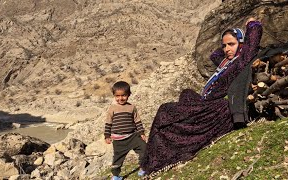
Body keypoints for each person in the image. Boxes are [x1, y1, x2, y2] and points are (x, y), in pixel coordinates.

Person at [140, 17, 263, 176]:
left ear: (242, 44)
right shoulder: (226, 62)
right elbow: (214, 54)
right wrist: (230, 40)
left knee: (165, 111)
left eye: (231, 44)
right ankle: (154, 156)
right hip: (208, 101)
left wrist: (252, 26)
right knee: (187, 93)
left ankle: (155, 159)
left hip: (219, 107)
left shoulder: (242, 60)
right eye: (224, 45)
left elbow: (251, 45)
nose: (226, 49)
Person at [104, 81, 147, 180]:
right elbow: (108, 123)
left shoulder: (131, 107)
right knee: (118, 159)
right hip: (119, 140)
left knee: (144, 148)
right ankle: (115, 176)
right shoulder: (112, 108)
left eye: (123, 95)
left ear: (128, 95)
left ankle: (143, 167)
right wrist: (107, 136)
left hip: (133, 136)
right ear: (114, 96)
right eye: (117, 96)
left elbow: (137, 121)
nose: (120, 98)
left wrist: (141, 133)